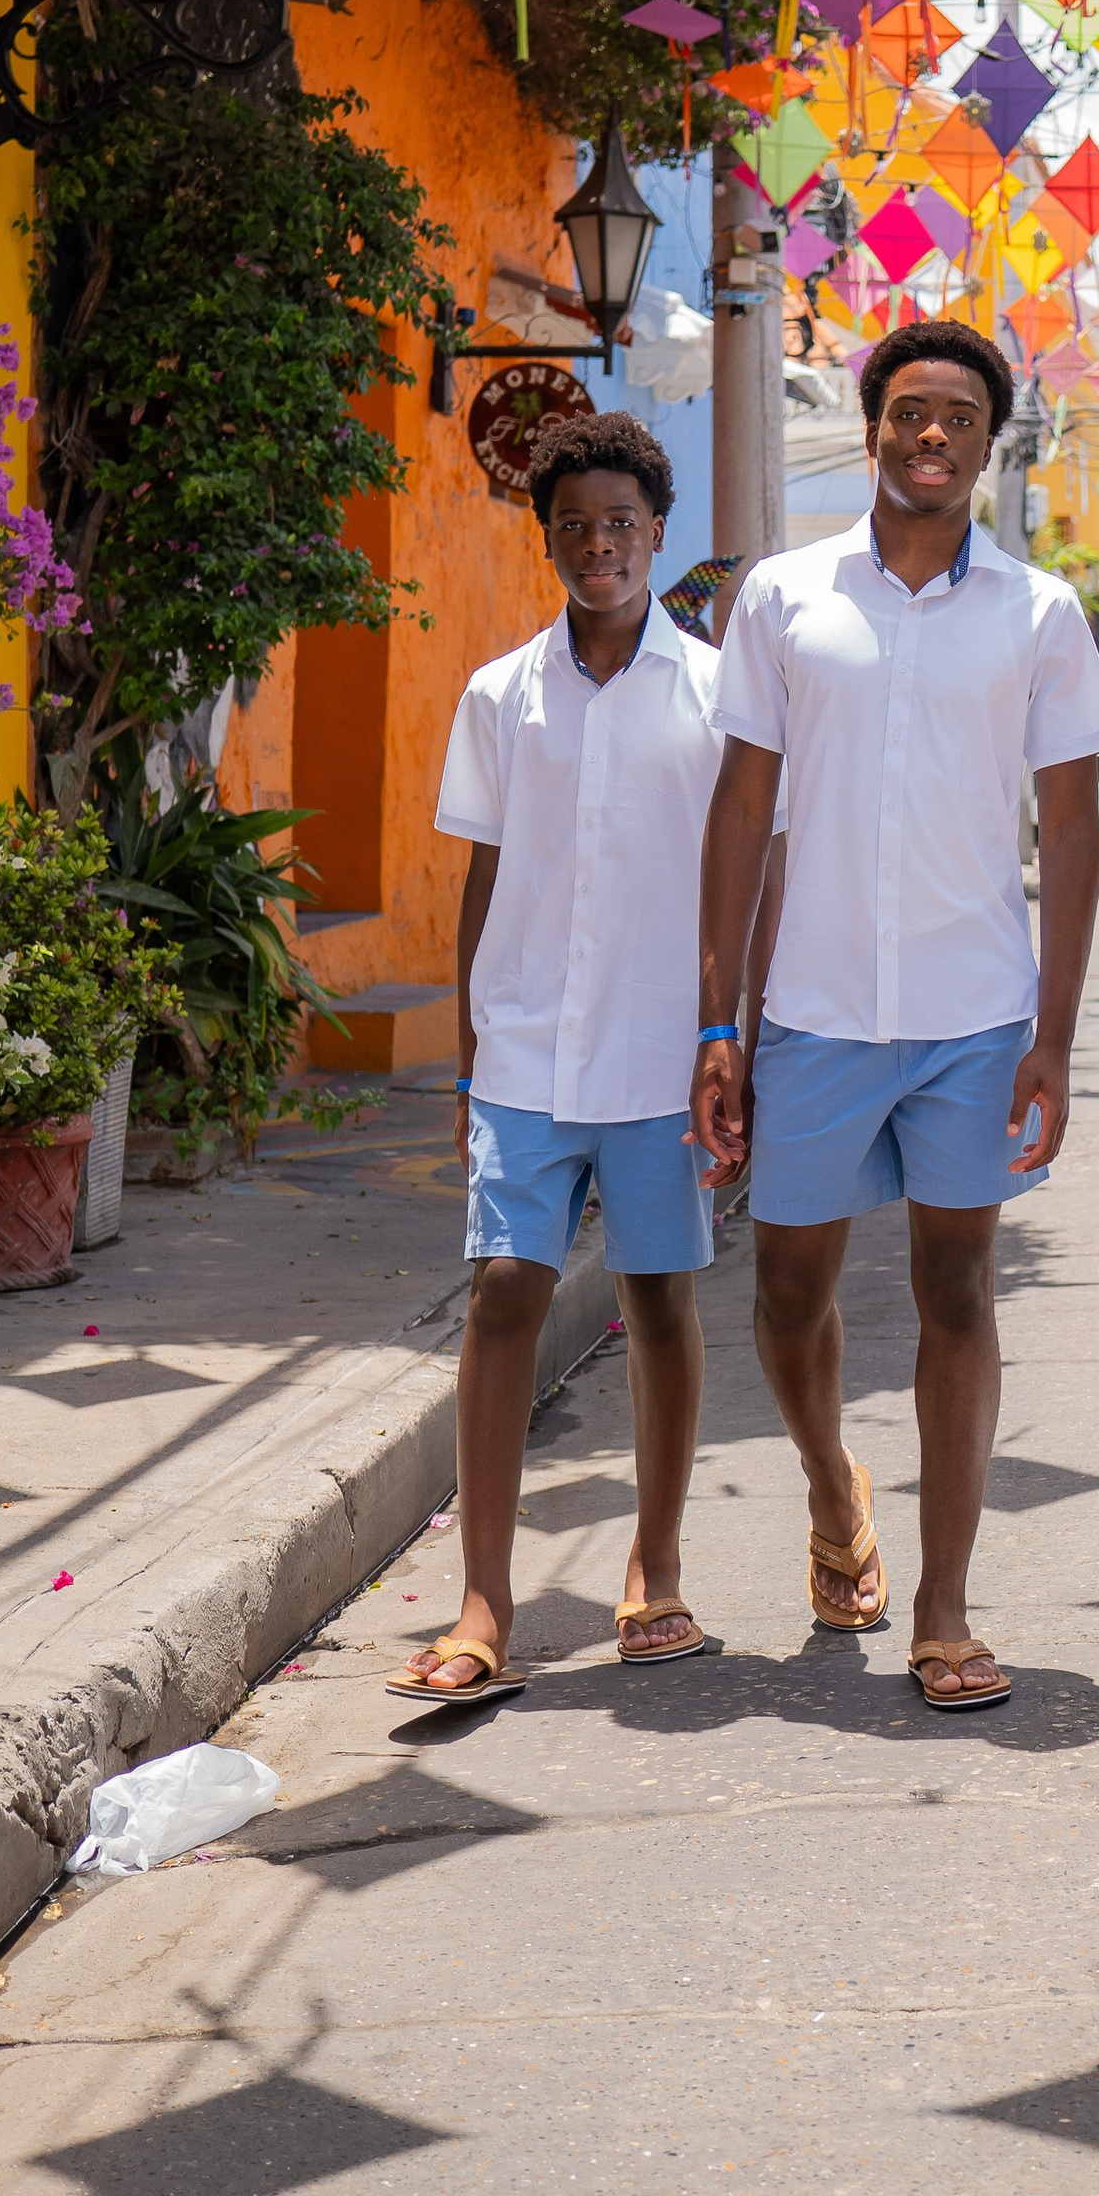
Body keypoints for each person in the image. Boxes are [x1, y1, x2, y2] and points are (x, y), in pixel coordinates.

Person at [693, 318, 1099, 1712]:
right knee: (788, 1293)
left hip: (974, 1011)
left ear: (991, 445)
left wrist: (1056, 1034)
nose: (931, 435)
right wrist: (721, 1021)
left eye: (958, 417)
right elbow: (743, 806)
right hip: (813, 1004)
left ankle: (944, 1606)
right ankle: (832, 1487)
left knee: (956, 1291)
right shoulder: (783, 598)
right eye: (909, 412)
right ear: (873, 427)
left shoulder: (1039, 614)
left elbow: (1071, 830)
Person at [392, 409, 778, 1706]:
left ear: (656, 535)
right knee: (507, 1283)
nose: (599, 545)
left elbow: (749, 881)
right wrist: (465, 1058)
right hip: (524, 1056)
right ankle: (484, 1601)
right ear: (547, 538)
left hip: (665, 1052)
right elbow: (482, 878)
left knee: (661, 1297)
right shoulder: (503, 695)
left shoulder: (723, 695)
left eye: (621, 525)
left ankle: (654, 1570)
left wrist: (739, 1038)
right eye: (575, 527)